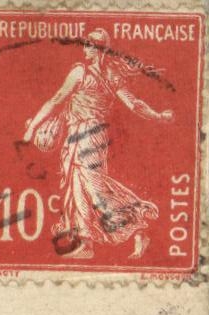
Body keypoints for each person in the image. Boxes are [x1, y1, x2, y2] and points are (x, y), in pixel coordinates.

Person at [21, 29, 174, 261]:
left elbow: (133, 104)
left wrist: (158, 116)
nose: (86, 48)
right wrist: (32, 127)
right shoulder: (87, 72)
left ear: (101, 48)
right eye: (85, 44)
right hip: (78, 134)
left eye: (91, 45)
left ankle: (138, 227)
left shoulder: (95, 73)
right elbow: (57, 99)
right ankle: (86, 244)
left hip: (90, 134)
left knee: (95, 188)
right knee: (78, 186)